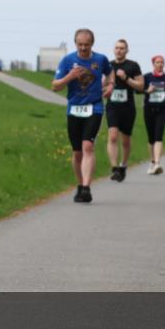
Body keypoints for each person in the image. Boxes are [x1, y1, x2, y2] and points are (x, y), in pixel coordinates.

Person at [52, 29, 114, 203]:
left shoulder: (100, 59)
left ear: (92, 44)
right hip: (74, 109)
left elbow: (110, 72)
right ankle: (80, 185)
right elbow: (55, 86)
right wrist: (69, 77)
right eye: (80, 44)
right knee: (77, 152)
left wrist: (111, 85)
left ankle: (86, 187)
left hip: (94, 108)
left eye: (86, 45)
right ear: (75, 43)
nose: (83, 48)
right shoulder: (67, 60)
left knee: (88, 146)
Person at [105, 39, 143, 182]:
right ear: (113, 50)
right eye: (116, 48)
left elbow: (141, 86)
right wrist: (105, 87)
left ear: (126, 50)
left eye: (122, 48)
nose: (119, 50)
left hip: (128, 108)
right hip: (112, 106)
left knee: (125, 141)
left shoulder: (133, 65)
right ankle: (114, 168)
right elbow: (103, 84)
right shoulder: (108, 66)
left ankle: (123, 165)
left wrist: (126, 78)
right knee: (113, 136)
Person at [140, 55, 165, 175]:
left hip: (162, 110)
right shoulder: (147, 77)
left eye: (162, 62)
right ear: (153, 64)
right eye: (157, 62)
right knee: (151, 138)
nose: (160, 64)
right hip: (149, 109)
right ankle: (153, 162)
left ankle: (158, 163)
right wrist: (147, 91)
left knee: (158, 135)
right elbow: (138, 90)